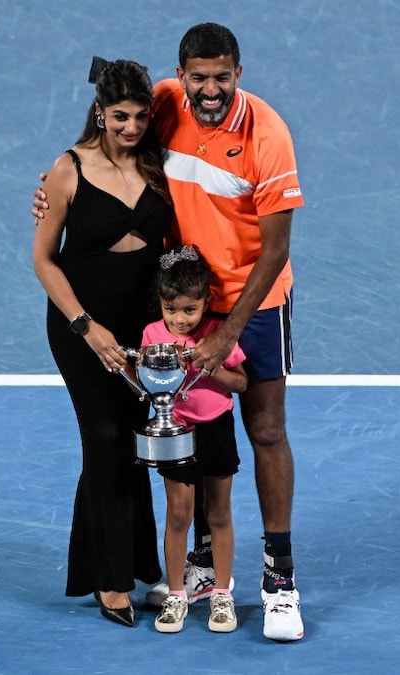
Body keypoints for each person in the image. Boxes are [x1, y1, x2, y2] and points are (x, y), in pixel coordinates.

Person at [35, 24, 306, 641]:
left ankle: (280, 579)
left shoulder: (268, 135)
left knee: (264, 430)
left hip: (251, 305)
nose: (210, 89)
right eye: (199, 77)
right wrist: (53, 191)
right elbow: (109, 131)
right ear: (181, 76)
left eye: (223, 76)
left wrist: (222, 333)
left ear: (239, 71)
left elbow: (275, 250)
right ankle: (204, 567)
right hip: (183, 307)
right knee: (198, 429)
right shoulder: (161, 103)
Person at [31, 58, 172, 628]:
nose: (131, 127)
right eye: (120, 116)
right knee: (106, 437)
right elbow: (43, 260)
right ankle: (108, 581)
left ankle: (136, 563)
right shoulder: (67, 170)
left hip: (141, 329)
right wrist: (87, 328)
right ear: (100, 112)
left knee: (134, 443)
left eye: (140, 116)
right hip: (81, 324)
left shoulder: (159, 165)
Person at [142, 245, 247, 634]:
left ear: (207, 302)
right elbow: (148, 382)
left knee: (218, 513)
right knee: (178, 514)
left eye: (190, 310)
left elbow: (241, 382)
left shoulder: (217, 335)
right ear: (161, 304)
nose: (180, 319)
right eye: (172, 310)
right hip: (176, 431)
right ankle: (175, 595)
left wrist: (213, 367)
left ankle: (221, 593)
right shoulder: (152, 335)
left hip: (216, 428)